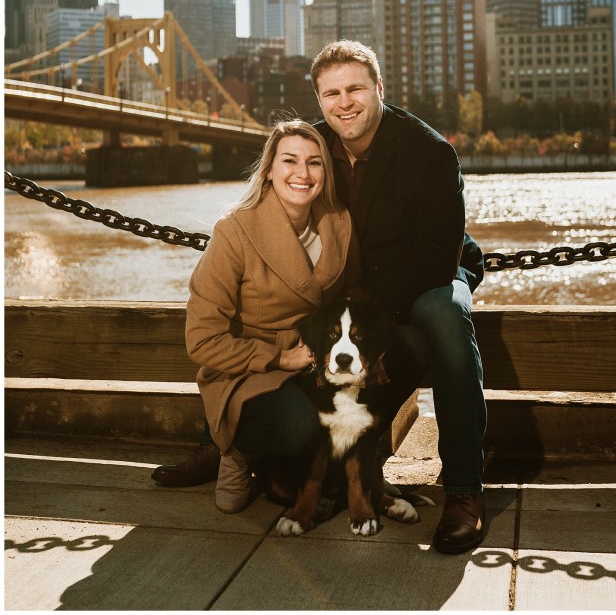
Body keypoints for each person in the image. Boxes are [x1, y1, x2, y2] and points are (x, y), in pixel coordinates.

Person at [155, 42, 486, 554]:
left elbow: (435, 258)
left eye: (355, 89)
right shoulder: (315, 145)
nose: (344, 102)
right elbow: (265, 221)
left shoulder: (430, 152)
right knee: (288, 341)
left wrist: (366, 311)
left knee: (442, 318)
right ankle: (225, 442)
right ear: (319, 99)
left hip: (424, 274)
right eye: (331, 93)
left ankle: (464, 491)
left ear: (379, 88)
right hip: (349, 291)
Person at [182, 118, 427, 514]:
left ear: (325, 172)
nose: (302, 173)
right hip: (250, 370)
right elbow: (202, 340)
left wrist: (369, 348)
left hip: (317, 358)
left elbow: (349, 296)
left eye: (314, 162)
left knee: (411, 346)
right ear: (269, 170)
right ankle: (237, 452)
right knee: (299, 424)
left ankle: (362, 463)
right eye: (289, 161)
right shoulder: (234, 231)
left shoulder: (338, 223)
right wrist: (280, 357)